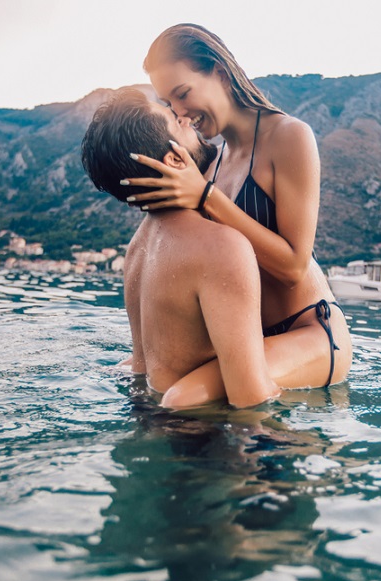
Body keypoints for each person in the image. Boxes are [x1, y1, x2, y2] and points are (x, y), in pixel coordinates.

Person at [122, 24, 352, 406]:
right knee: (152, 385)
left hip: (311, 332)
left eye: (182, 94)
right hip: (253, 338)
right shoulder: (209, 163)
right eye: (169, 103)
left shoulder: (290, 137)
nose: (180, 112)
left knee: (182, 398)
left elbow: (294, 265)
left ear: (220, 73)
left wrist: (207, 197)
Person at [81, 86, 278, 409]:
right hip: (202, 443)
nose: (186, 119)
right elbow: (251, 401)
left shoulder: (137, 250)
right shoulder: (220, 247)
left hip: (147, 419)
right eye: (175, 121)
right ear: (174, 160)